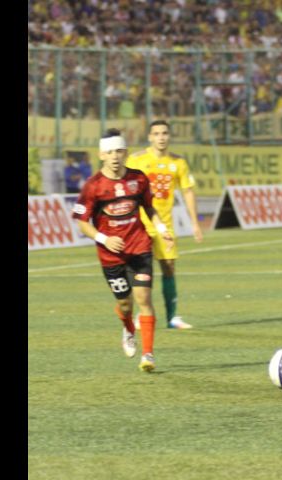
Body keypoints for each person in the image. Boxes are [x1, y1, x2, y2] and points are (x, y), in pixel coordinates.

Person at [72, 129, 174, 372]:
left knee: (144, 299)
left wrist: (161, 228)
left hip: (139, 247)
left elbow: (149, 208)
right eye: (109, 152)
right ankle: (128, 328)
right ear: (101, 155)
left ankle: (148, 355)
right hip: (111, 255)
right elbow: (82, 222)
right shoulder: (93, 186)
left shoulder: (139, 179)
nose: (115, 156)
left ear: (126, 152)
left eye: (119, 151)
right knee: (126, 305)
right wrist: (103, 238)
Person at [126, 120, 203, 330]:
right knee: (141, 270)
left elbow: (188, 191)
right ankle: (140, 316)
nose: (161, 137)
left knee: (169, 268)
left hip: (164, 226)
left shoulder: (178, 162)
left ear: (169, 136)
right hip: (140, 224)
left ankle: (172, 317)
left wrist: (195, 223)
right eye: (157, 133)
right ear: (150, 137)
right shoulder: (137, 159)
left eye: (165, 133)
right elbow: (125, 187)